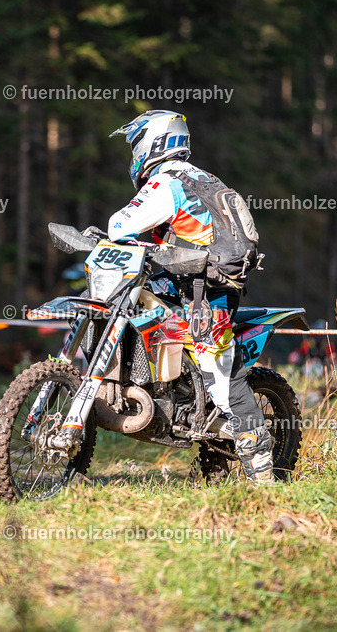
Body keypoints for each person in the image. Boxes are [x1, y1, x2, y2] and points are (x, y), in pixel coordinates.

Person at [105, 110, 273, 483]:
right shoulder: (205, 177)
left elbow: (119, 225)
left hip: (204, 291)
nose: (134, 154)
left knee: (222, 375)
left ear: (154, 143)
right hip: (193, 283)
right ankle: (170, 392)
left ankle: (264, 474)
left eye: (136, 145)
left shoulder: (166, 183)